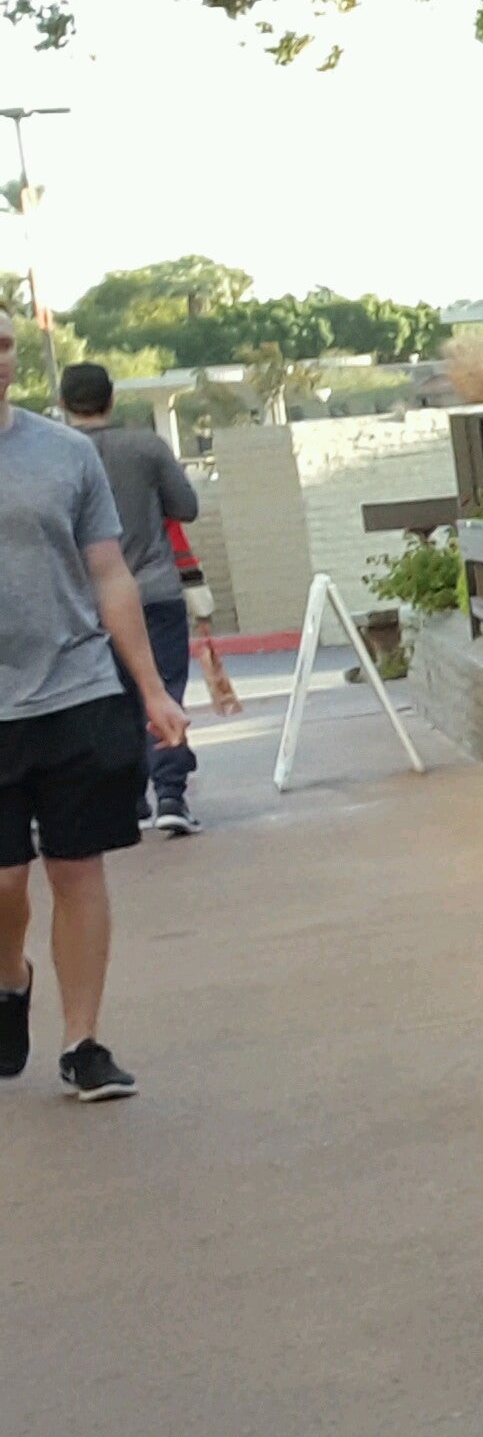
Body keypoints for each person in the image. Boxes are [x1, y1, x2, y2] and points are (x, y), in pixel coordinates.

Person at [0, 335, 190, 1100]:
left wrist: (152, 689)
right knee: (3, 882)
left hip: (75, 688)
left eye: (4, 342)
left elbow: (109, 573)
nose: (0, 356)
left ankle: (82, 1043)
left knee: (77, 868)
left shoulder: (65, 453)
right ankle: (11, 978)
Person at [60, 366, 214, 833]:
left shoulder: (55, 452)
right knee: (164, 690)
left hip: (84, 600)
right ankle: (170, 794)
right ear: (111, 399)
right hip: (153, 589)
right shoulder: (146, 447)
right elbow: (185, 506)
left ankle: (127, 798)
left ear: (63, 403)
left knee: (109, 703)